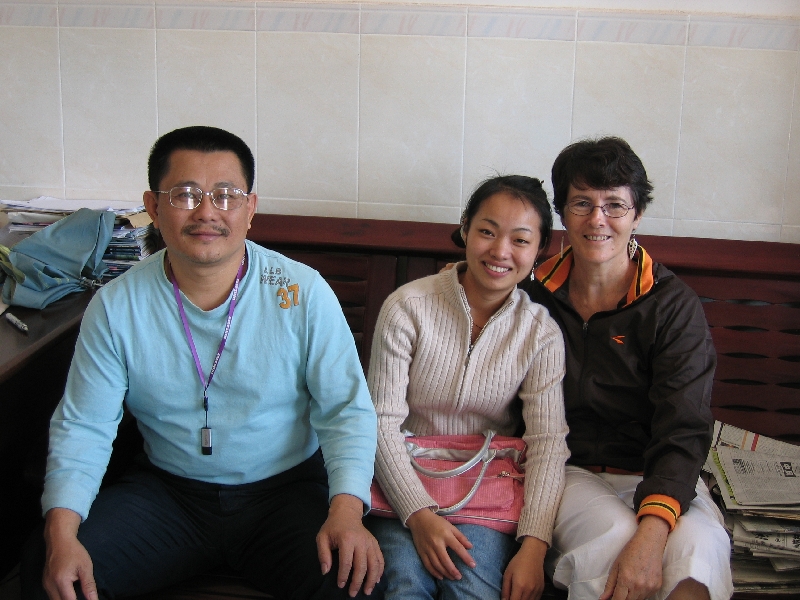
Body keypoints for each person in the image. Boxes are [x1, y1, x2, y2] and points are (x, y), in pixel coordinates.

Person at [22, 126, 383, 600]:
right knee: (50, 573)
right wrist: (62, 534)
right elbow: (85, 425)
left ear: (250, 209)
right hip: (169, 497)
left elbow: (346, 412)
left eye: (226, 195)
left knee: (355, 581)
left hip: (285, 494)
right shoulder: (116, 305)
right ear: (153, 207)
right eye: (185, 195)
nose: (207, 212)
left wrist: (346, 513)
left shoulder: (302, 292)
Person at [522, 137, 733, 600]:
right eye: (582, 203)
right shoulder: (534, 296)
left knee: (698, 551)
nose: (597, 219)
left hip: (656, 472)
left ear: (637, 215)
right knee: (613, 539)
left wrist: (654, 528)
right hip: (567, 471)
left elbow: (684, 426)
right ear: (562, 213)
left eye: (615, 205)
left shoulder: (671, 305)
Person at [367, 175, 570, 600]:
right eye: (487, 232)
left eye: (520, 240)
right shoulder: (407, 307)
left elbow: (548, 443)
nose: (500, 251)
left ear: (539, 250)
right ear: (465, 229)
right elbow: (380, 422)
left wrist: (534, 545)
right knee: (405, 582)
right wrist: (419, 515)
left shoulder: (541, 333)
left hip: (486, 490)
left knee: (473, 587)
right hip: (403, 482)